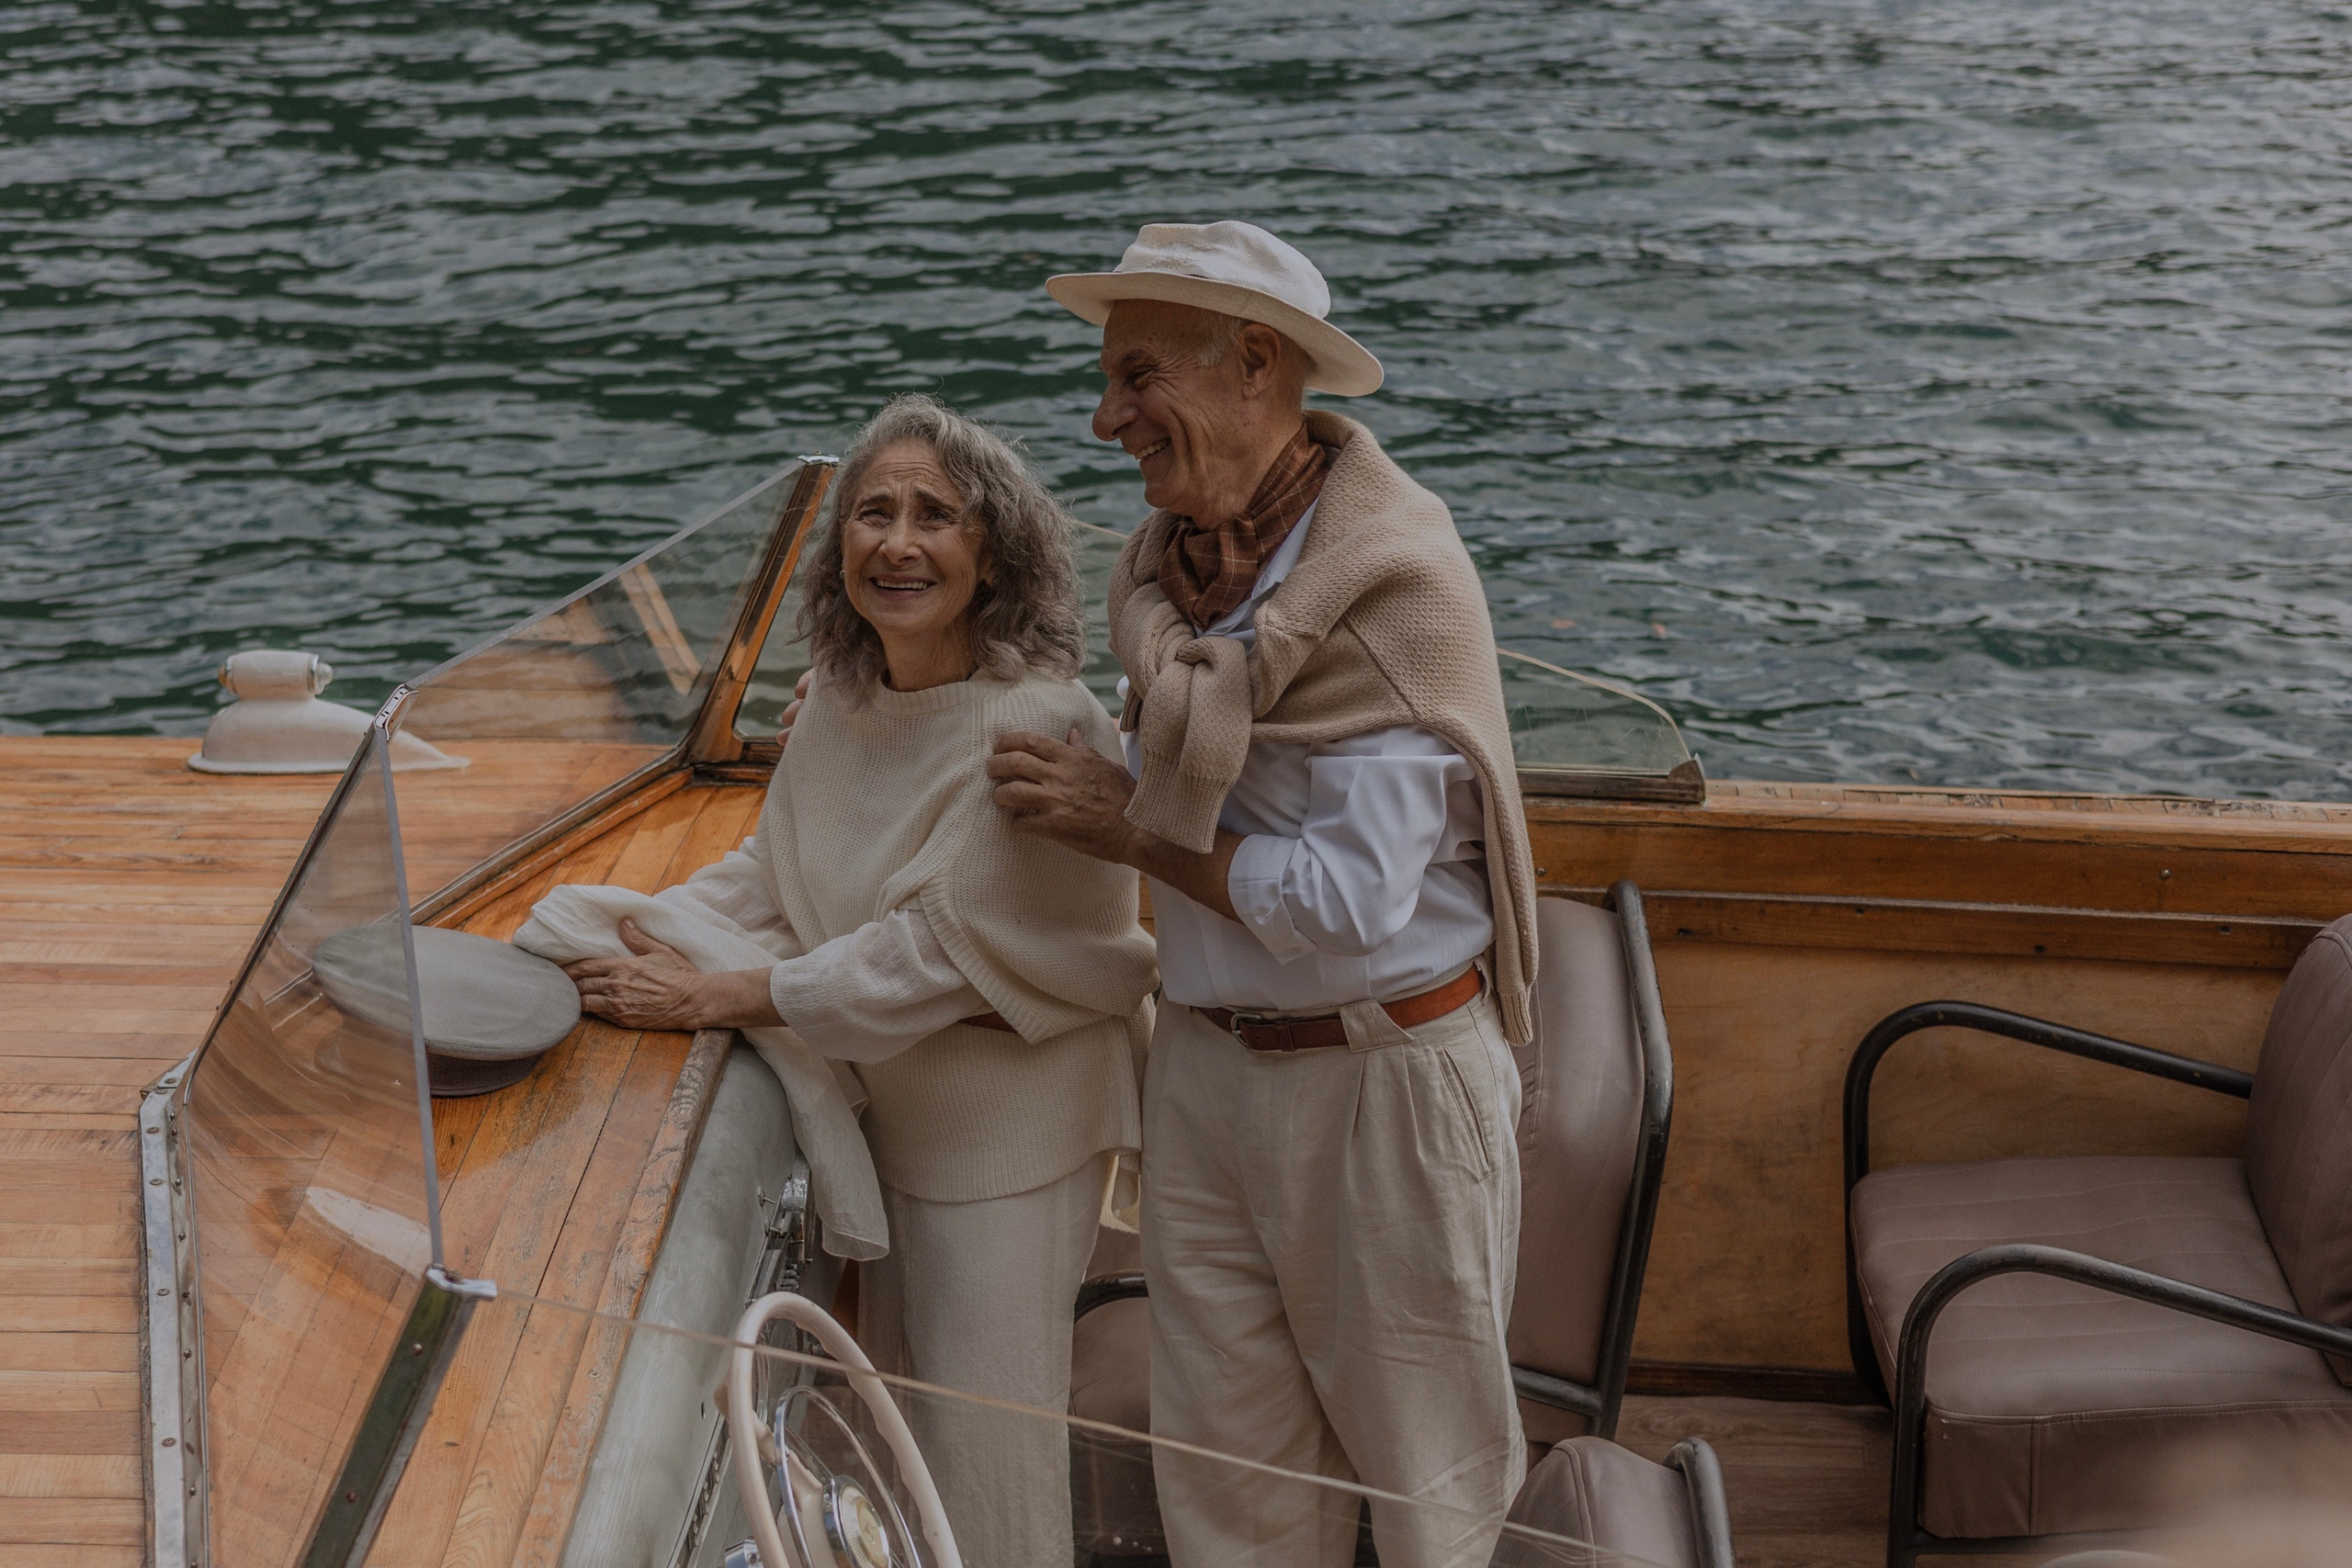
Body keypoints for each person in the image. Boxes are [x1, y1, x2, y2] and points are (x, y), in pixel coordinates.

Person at [987, 220, 1543, 1567]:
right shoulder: (1171, 579)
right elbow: (1203, 777)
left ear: (1252, 364)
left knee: (1430, 1498)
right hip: (1209, 1068)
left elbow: (1347, 901)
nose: (1106, 415)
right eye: (1110, 380)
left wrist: (1131, 831)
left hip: (1384, 1089)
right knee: (1225, 1491)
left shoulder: (1396, 591)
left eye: (1136, 376)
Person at [561, 393, 1157, 1568]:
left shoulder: (1037, 719)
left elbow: (928, 954)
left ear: (993, 555)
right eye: (872, 514)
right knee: (889, 1440)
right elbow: (776, 873)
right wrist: (625, 932)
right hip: (890, 1109)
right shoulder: (840, 703)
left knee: (986, 1447)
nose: (897, 541)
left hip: (1005, 1141)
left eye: (936, 516)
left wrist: (712, 995)